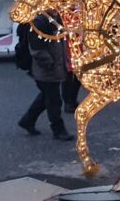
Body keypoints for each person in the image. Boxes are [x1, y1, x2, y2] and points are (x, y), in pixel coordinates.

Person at [18, 10, 74, 141]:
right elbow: (37, 50)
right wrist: (50, 64)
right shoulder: (40, 22)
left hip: (55, 67)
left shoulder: (55, 19)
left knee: (46, 97)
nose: (55, 7)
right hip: (47, 70)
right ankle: (58, 129)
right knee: (54, 100)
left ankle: (28, 120)